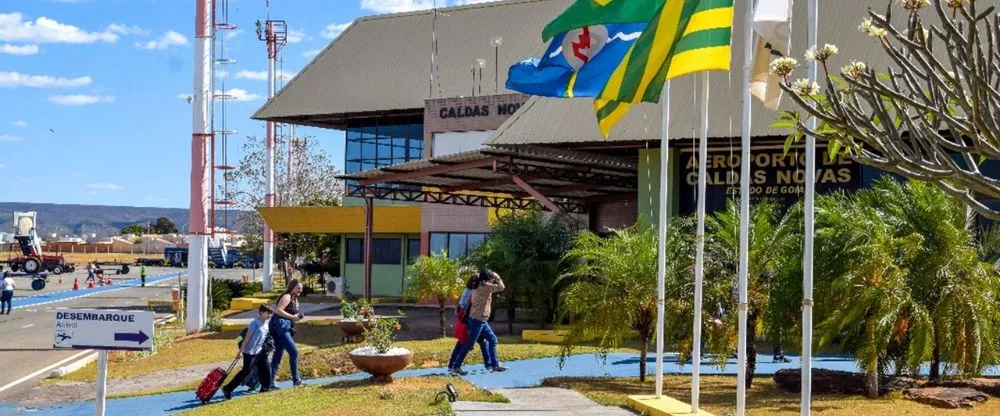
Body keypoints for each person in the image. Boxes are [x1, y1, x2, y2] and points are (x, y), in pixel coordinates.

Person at [454, 269, 507, 373]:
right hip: (477, 320)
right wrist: (497, 276)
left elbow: (469, 300)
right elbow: (501, 287)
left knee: (492, 339)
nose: (493, 280)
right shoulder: (485, 286)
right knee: (469, 344)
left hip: (479, 319)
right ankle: (457, 366)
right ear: (488, 279)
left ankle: (494, 365)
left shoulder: (477, 286)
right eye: (492, 278)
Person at [222, 304, 274, 399]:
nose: (269, 315)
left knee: (266, 368)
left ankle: (265, 388)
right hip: (249, 352)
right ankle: (227, 389)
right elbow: (246, 338)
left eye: (270, 314)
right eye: (268, 313)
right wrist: (241, 351)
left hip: (260, 350)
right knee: (245, 371)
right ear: (261, 312)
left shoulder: (266, 323)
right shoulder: (254, 324)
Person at [447, 275, 489, 376]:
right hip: (468, 318)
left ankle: (452, 365)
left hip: (466, 317)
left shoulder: (468, 290)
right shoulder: (472, 292)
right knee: (464, 342)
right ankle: (455, 365)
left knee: (481, 341)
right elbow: (468, 305)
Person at [269, 279, 304, 388]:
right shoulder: (287, 296)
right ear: (292, 287)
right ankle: (296, 380)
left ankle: (269, 381)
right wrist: (292, 317)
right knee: (294, 352)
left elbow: (291, 312)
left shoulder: (294, 298)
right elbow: (278, 310)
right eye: (298, 288)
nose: (300, 290)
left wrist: (297, 316)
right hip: (280, 329)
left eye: (301, 288)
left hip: (284, 328)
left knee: (278, 354)